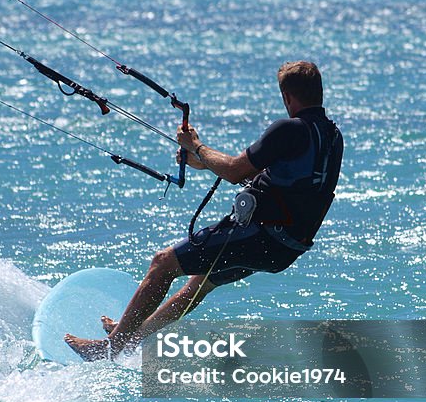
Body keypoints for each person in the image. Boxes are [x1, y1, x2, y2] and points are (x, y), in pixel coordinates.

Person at [65, 60, 343, 361]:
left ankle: (109, 348)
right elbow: (288, 183)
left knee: (162, 265)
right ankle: (129, 337)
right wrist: (206, 161)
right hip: (286, 249)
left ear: (287, 96)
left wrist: (196, 147)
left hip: (260, 235)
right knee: (198, 285)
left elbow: (236, 171)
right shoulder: (331, 136)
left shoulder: (288, 129)